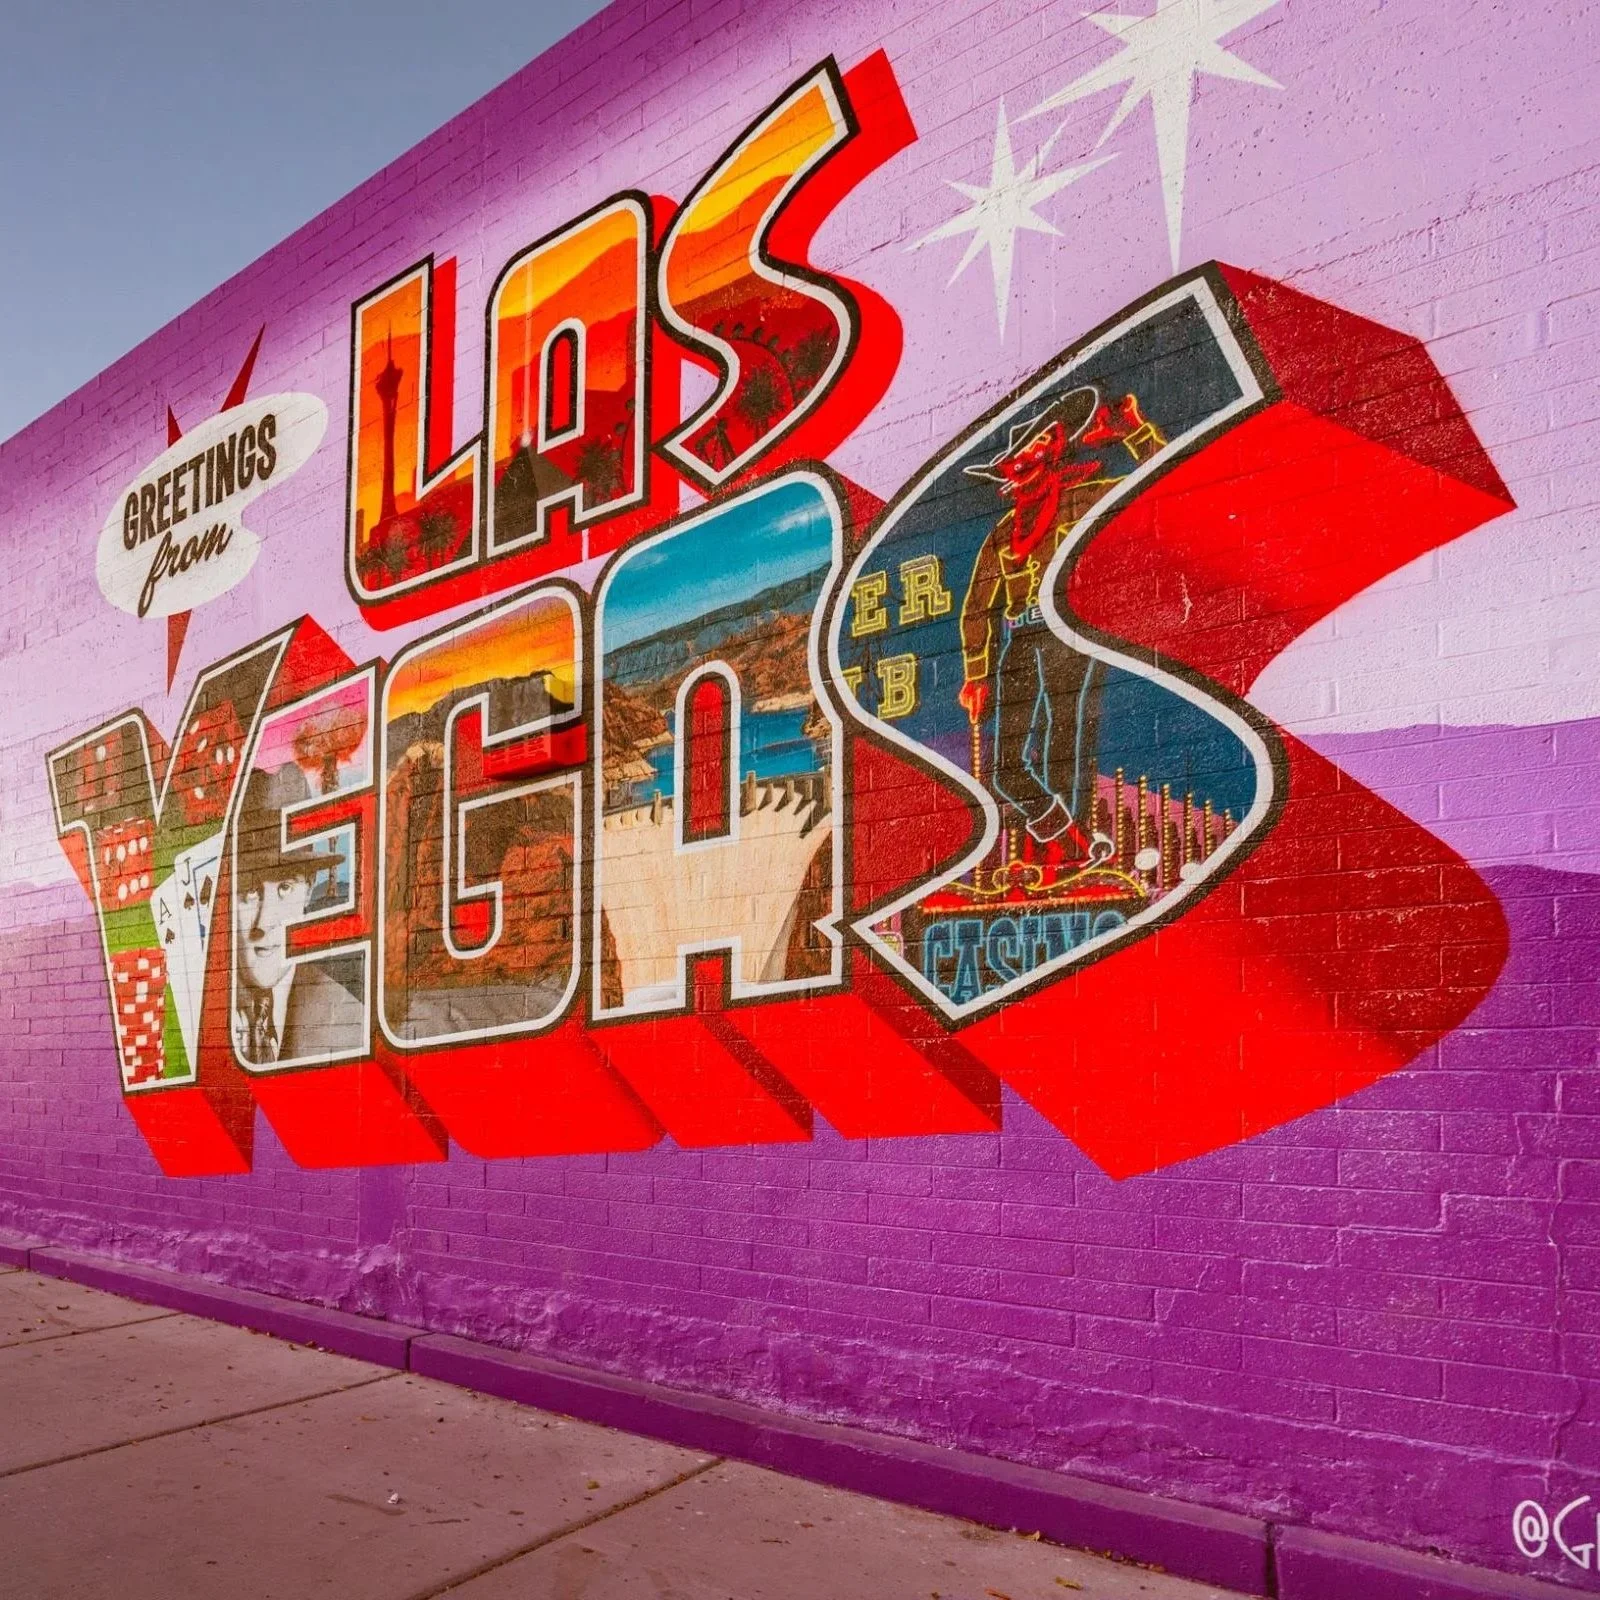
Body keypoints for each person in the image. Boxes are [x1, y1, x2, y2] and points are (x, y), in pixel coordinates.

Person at [957, 385, 1160, 852]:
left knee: (1065, 740)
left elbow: (1163, 481)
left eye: (1037, 444)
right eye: (1017, 455)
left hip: (1071, 631)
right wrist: (976, 674)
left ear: (1053, 448)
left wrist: (1134, 432)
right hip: (1021, 639)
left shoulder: (1084, 499)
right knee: (1006, 766)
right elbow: (977, 606)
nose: (1026, 457)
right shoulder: (1004, 531)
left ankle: (1072, 851)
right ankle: (1066, 840)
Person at [231, 764, 366, 1067]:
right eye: (249, 892)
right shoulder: (200, 1012)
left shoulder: (348, 1020)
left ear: (308, 892)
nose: (264, 923)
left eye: (285, 889)